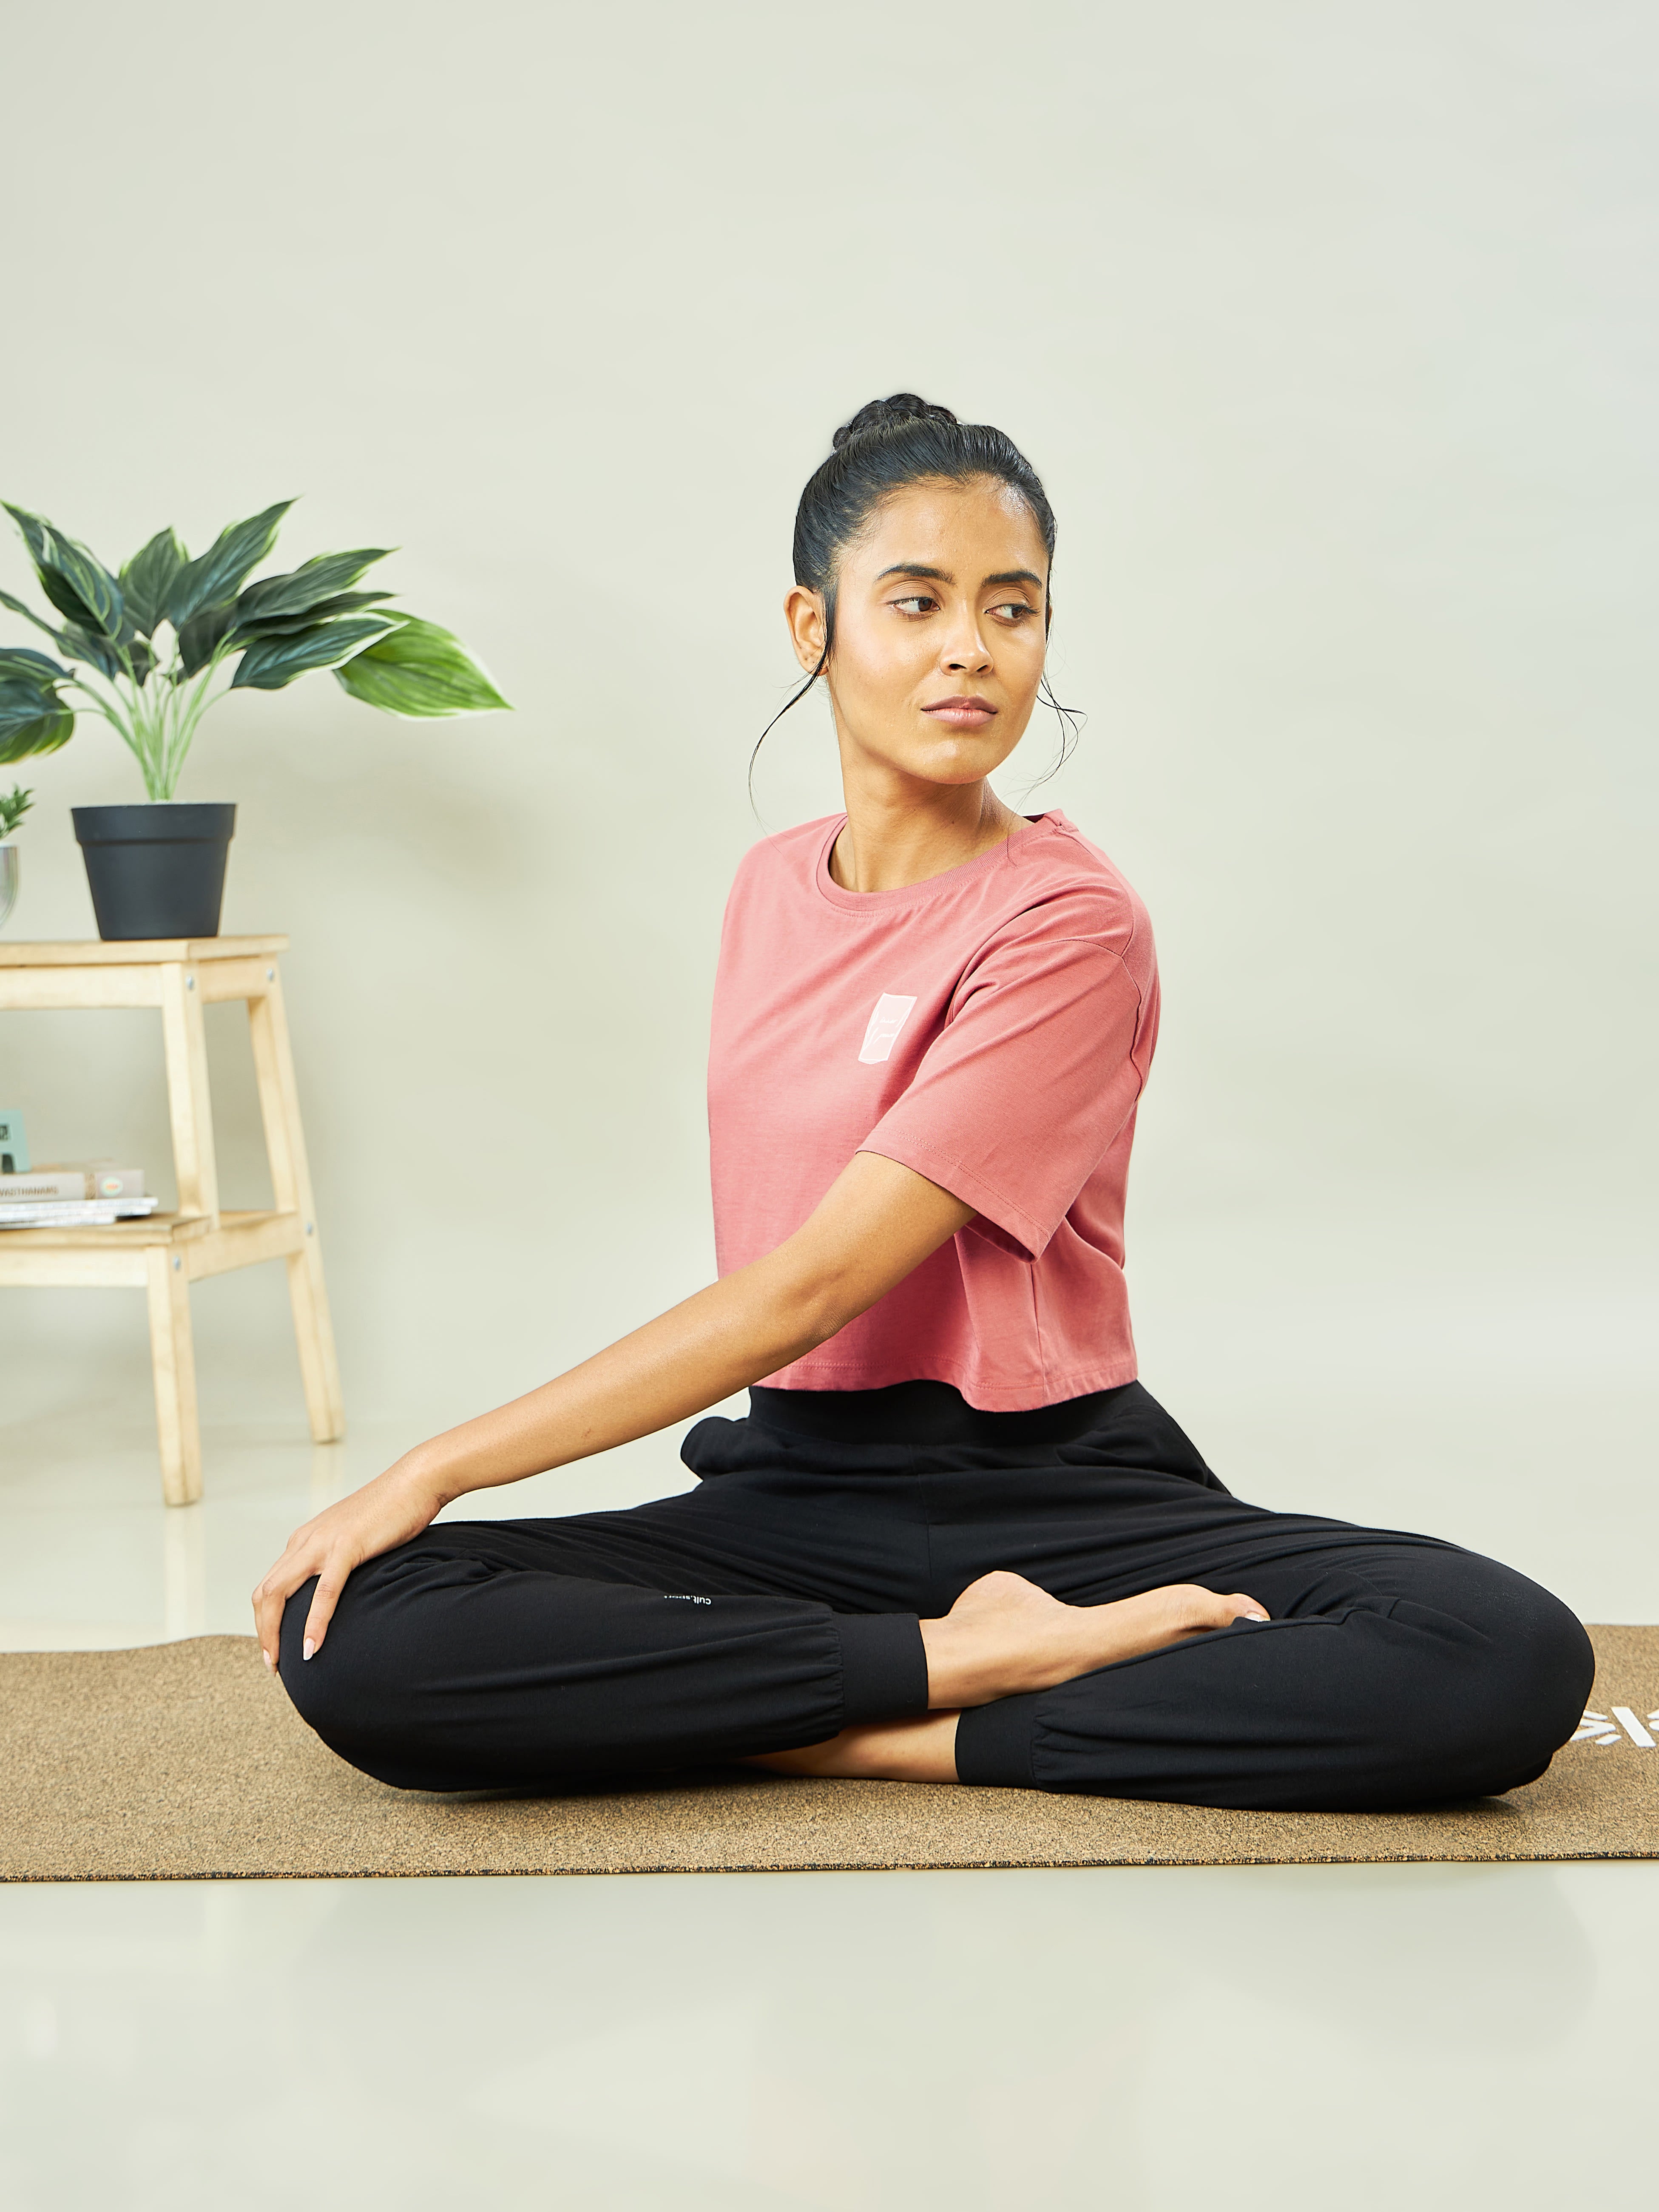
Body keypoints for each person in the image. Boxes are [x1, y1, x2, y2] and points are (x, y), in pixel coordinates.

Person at [255, 395, 1591, 1809]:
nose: (971, 646)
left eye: (1013, 609)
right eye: (918, 601)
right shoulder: (769, 888)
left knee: (1496, 1657)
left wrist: (431, 1464)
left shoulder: (1071, 921)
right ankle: (959, 1671)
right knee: (352, 1634)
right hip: (793, 1490)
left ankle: (874, 1705)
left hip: (1058, 1492)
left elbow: (814, 1281)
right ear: (810, 626)